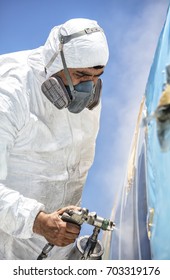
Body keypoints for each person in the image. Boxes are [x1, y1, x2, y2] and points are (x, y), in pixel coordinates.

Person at [0, 18, 109, 259]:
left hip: (56, 249)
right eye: (81, 75)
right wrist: (37, 221)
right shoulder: (10, 92)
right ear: (54, 63)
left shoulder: (88, 100)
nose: (89, 89)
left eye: (96, 76)